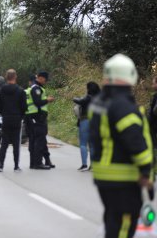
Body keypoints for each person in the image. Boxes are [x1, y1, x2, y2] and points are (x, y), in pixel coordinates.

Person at [88, 54, 154, 238]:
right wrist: (145, 170)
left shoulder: (100, 102)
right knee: (124, 227)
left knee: (113, 222)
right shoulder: (122, 106)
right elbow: (135, 143)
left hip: (105, 176)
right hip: (123, 178)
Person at [0, 69, 27, 172]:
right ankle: (16, 166)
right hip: (16, 119)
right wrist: (20, 116)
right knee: (16, 143)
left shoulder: (2, 90)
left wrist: (4, 113)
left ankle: (1, 165)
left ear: (6, 77)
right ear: (15, 77)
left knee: (4, 143)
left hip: (6, 119)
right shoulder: (20, 91)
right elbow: (24, 106)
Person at [26, 71, 55, 169]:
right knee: (39, 140)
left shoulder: (35, 88)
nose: (45, 82)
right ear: (41, 78)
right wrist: (48, 100)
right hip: (37, 118)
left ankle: (34, 163)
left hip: (35, 118)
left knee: (36, 140)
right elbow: (37, 102)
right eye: (45, 80)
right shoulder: (36, 89)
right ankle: (38, 163)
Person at [73, 82, 101, 171]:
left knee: (83, 144)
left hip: (85, 120)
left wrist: (74, 98)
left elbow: (79, 101)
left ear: (89, 89)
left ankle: (84, 164)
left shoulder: (88, 98)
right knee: (92, 145)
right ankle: (92, 165)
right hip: (95, 122)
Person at [25, 75, 37, 168]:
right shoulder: (35, 91)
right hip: (34, 117)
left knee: (31, 139)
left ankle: (32, 162)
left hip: (27, 117)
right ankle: (34, 162)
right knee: (34, 140)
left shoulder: (26, 91)